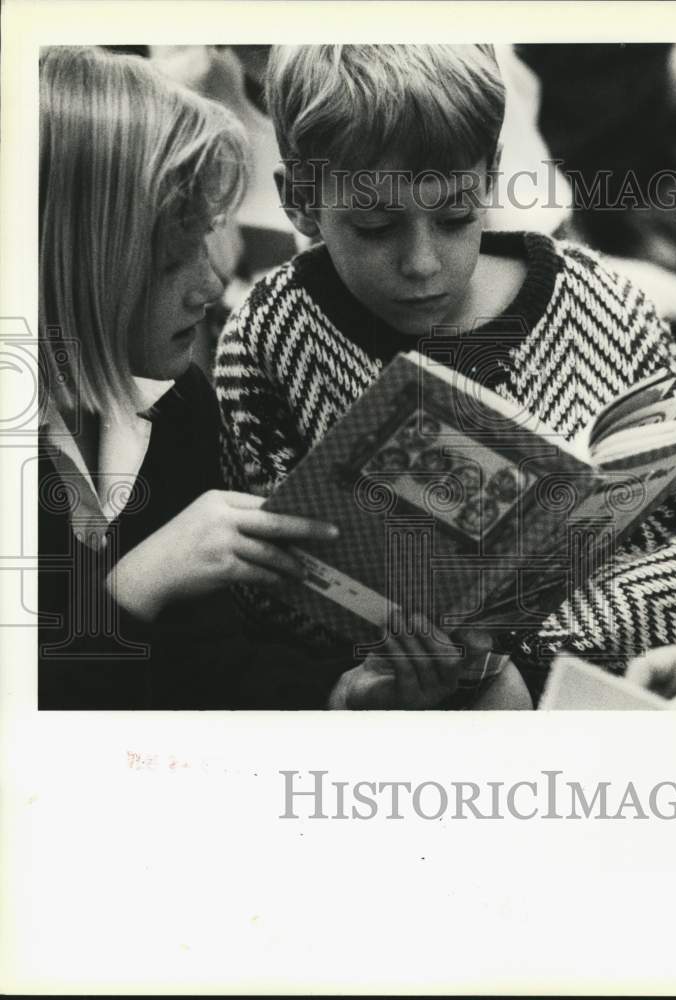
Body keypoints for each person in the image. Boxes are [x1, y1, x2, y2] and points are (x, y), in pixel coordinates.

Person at [214, 44, 676, 704]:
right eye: (375, 227)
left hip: (653, 653)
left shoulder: (593, 298)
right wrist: (386, 660)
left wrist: (545, 656)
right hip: (408, 687)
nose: (422, 263)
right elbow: (262, 582)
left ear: (489, 178)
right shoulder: (270, 335)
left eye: (455, 217)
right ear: (299, 202)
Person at [38, 45, 503, 711]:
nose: (208, 285)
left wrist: (338, 698)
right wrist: (132, 588)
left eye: (208, 244)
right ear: (78, 260)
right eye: (173, 260)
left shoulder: (178, 402)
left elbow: (205, 669)